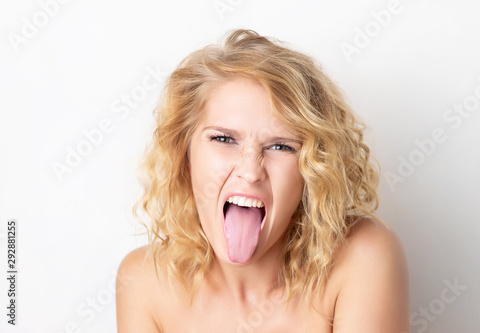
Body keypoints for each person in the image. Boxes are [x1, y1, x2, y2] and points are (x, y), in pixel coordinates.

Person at [116, 29, 409, 332]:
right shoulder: (143, 281)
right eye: (224, 138)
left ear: (312, 169)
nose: (251, 171)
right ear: (184, 156)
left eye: (281, 146)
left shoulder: (361, 256)